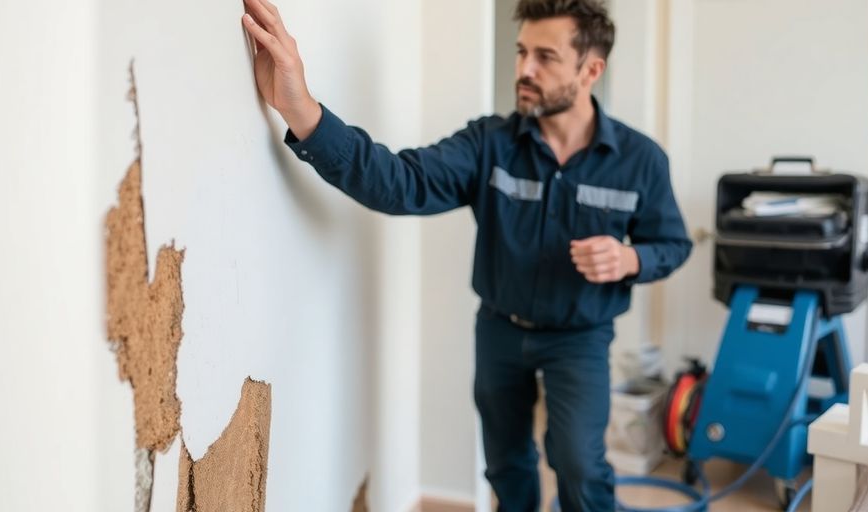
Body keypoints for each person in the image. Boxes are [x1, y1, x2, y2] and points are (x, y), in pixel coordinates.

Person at [241, 0, 692, 509]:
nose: (524, 69)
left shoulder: (641, 160)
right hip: (500, 331)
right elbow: (400, 183)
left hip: (580, 337)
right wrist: (300, 108)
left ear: (591, 70)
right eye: (522, 51)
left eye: (545, 56)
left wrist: (631, 260)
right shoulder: (489, 143)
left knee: (580, 466)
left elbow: (674, 245)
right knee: (506, 464)